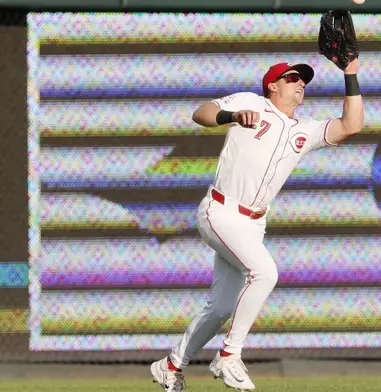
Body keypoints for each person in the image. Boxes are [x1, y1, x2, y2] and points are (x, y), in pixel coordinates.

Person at [150, 58, 364, 392]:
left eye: (303, 79)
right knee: (265, 272)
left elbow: (351, 125)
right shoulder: (252, 103)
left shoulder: (303, 131)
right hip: (220, 212)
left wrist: (350, 74)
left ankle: (171, 365)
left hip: (253, 223)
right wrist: (231, 116)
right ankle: (228, 355)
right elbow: (201, 113)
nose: (299, 83)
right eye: (291, 77)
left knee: (220, 306)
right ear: (272, 85)